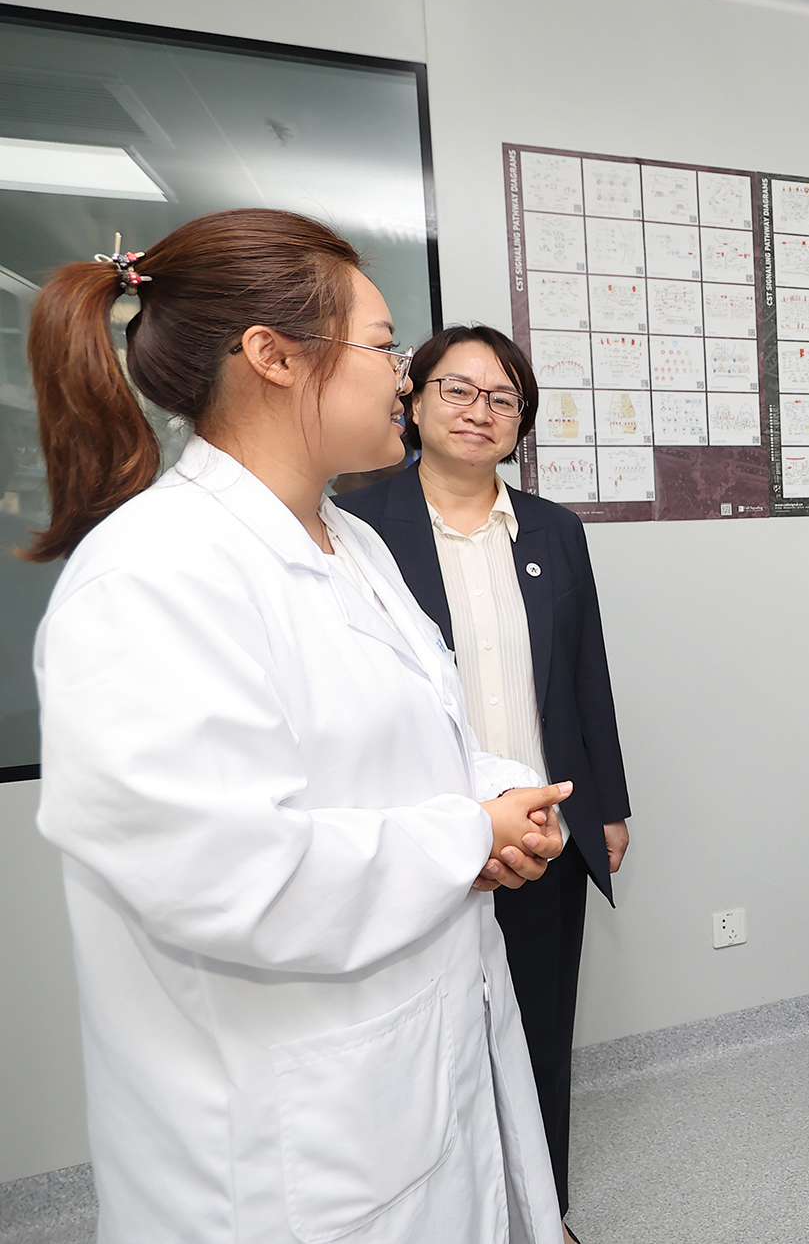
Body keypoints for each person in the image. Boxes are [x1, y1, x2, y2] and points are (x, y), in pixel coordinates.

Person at [28, 209, 568, 1242]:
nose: (403, 381)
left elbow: (417, 740)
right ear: (273, 356)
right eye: (383, 348)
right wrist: (468, 836)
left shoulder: (350, 544)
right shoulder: (151, 576)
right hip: (285, 1157)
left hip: (410, 1080)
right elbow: (228, 875)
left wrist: (497, 792)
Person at [336, 325, 631, 1239]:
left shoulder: (554, 530)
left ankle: (545, 1215)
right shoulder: (354, 523)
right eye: (457, 389)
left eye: (503, 398)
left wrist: (608, 806)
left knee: (540, 1036)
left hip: (540, 830)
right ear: (414, 397)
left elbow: (585, 676)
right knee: (429, 1052)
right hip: (426, 838)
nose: (479, 411)